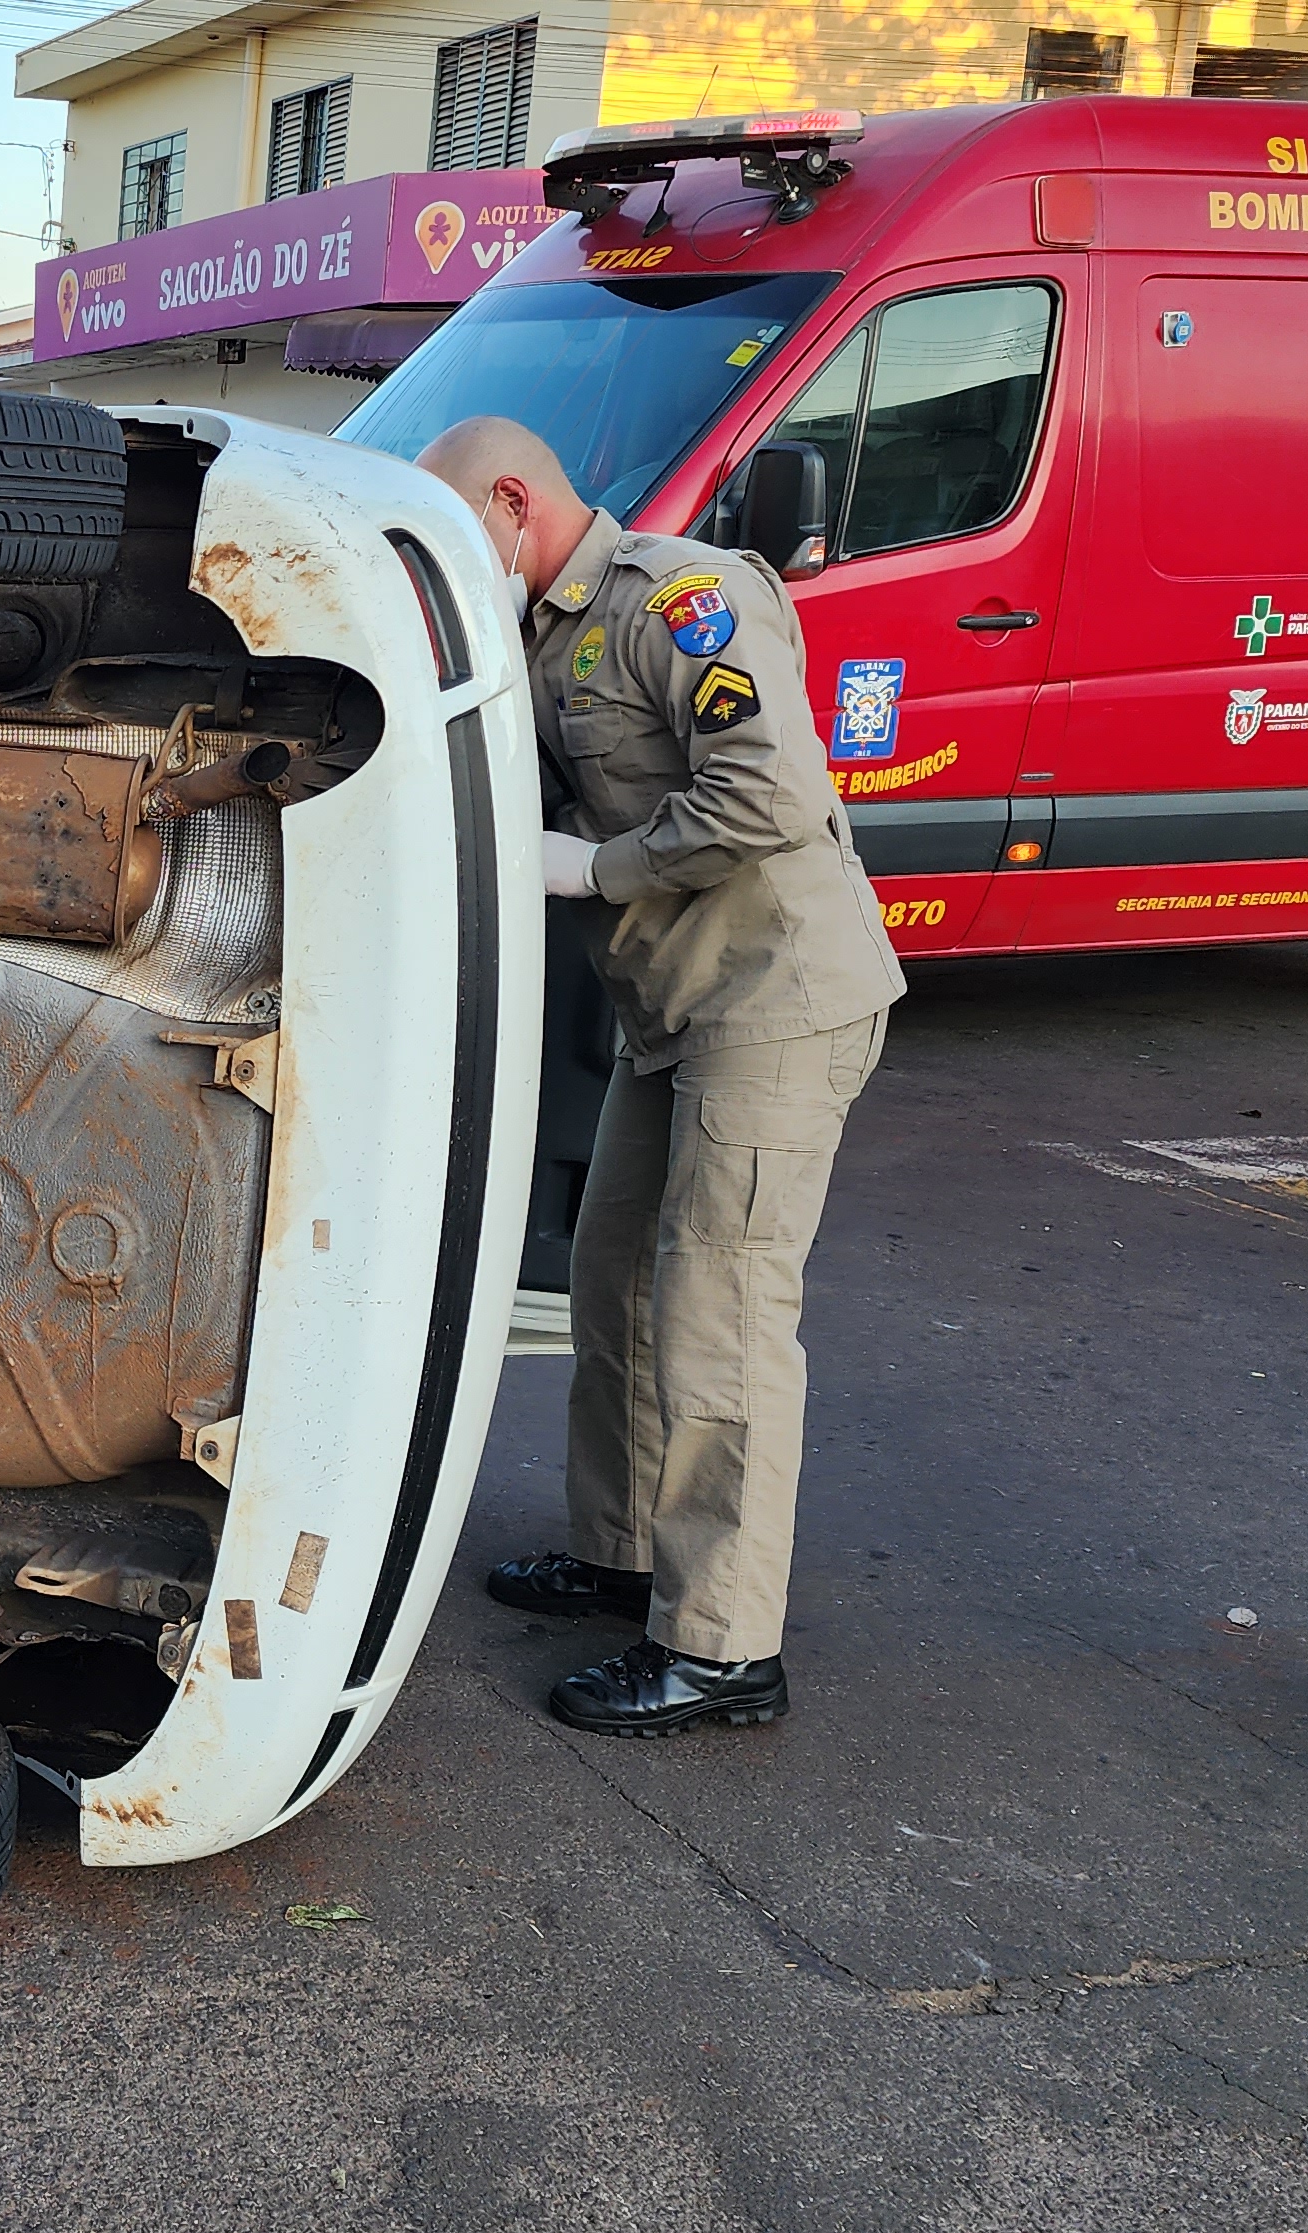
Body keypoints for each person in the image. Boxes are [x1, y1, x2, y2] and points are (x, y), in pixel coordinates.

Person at [417, 415, 906, 1737]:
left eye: (463, 537)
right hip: (677, 1010)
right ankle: (625, 1547)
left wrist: (593, 867)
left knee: (721, 1311)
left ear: (517, 504)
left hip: (773, 1000)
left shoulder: (686, 599)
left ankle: (721, 1646)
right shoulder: (535, 629)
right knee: (615, 1281)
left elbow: (772, 795)